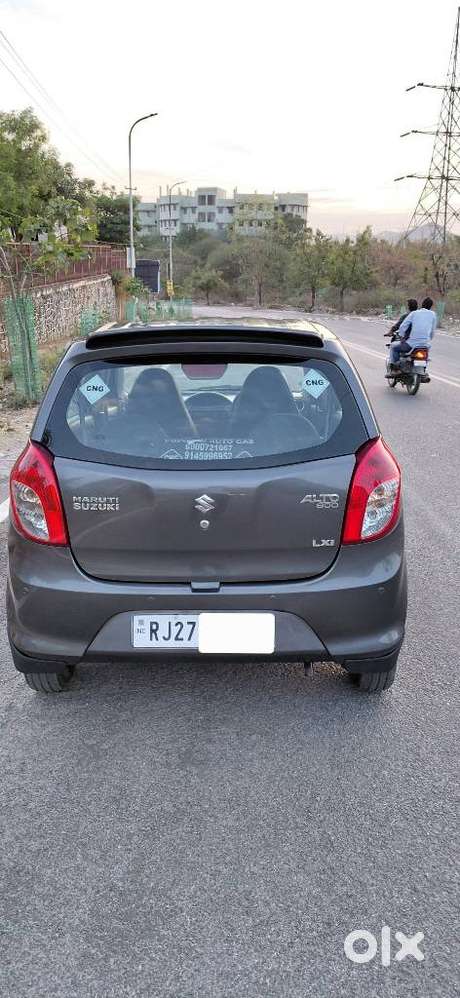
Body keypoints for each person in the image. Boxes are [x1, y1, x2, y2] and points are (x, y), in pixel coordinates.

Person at [389, 297, 437, 368]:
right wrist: (428, 339)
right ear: (431, 306)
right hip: (425, 345)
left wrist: (401, 337)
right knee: (426, 355)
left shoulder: (414, 313)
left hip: (411, 344)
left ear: (422, 305)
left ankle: (395, 368)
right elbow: (432, 331)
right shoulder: (433, 314)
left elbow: (402, 326)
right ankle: (423, 372)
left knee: (394, 348)